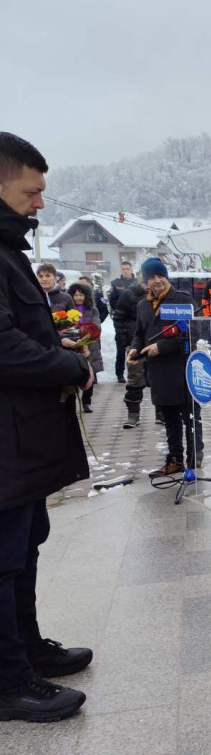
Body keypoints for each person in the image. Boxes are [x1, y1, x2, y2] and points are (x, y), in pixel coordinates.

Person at [0, 132, 92, 722]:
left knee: (25, 550)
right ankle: (10, 684)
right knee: (2, 563)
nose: (39, 204)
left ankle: (28, 654)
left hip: (22, 440)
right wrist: (69, 363)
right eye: (32, 192)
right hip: (5, 443)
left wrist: (51, 343)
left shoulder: (8, 247)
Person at [129, 257, 202, 477]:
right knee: (169, 418)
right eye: (152, 277)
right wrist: (134, 349)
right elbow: (140, 334)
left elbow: (193, 333)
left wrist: (161, 346)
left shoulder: (182, 300)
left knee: (190, 416)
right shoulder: (142, 304)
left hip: (182, 369)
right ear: (145, 280)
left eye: (161, 276)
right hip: (158, 371)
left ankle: (194, 459)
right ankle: (175, 459)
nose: (157, 280)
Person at [111, 271, 147, 427]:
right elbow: (118, 319)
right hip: (134, 343)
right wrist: (125, 342)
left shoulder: (164, 296)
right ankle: (133, 414)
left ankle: (161, 414)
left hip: (157, 342)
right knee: (134, 379)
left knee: (159, 380)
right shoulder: (127, 294)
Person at [67, 281, 103, 413]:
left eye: (81, 295)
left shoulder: (92, 309)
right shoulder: (67, 309)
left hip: (89, 345)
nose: (78, 298)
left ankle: (87, 401)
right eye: (75, 295)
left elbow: (96, 325)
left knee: (89, 373)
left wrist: (84, 332)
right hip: (71, 344)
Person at [109, 260, 136, 382]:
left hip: (134, 319)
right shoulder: (116, 283)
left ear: (131, 269)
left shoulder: (137, 283)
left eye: (127, 268)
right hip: (121, 319)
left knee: (135, 348)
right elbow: (112, 300)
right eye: (123, 269)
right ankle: (119, 374)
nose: (125, 271)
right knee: (121, 349)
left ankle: (135, 373)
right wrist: (120, 308)